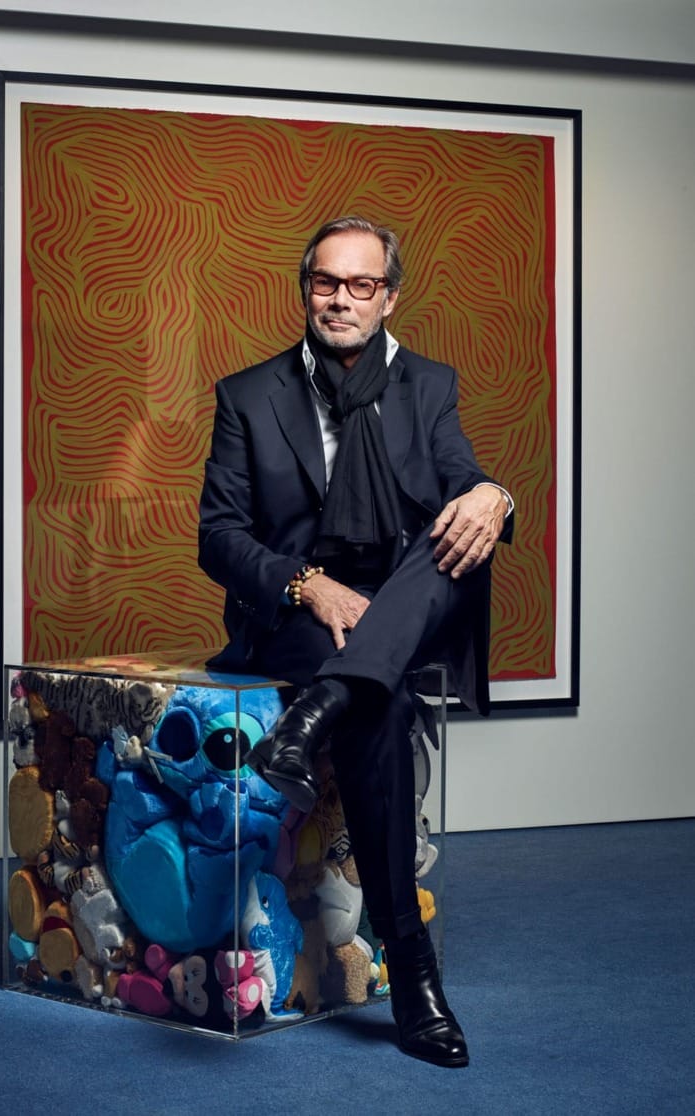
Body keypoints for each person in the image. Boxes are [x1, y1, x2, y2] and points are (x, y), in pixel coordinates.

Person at [198, 215, 512, 1067]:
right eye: (326, 282)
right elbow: (219, 538)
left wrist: (494, 495)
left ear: (389, 296)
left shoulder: (430, 385)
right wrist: (309, 585)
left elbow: (460, 481)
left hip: (404, 596)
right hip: (304, 612)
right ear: (307, 289)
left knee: (455, 533)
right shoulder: (248, 394)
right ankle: (413, 974)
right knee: (380, 702)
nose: (341, 299)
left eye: (360, 284)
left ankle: (321, 711)